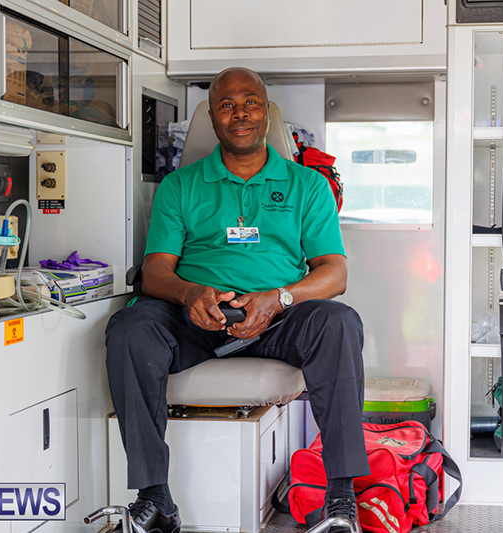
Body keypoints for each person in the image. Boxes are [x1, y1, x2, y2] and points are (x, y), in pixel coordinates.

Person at [105, 67, 369, 533]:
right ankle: (155, 499)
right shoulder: (179, 187)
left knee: (339, 322)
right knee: (129, 327)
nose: (240, 113)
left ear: (266, 113)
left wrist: (279, 298)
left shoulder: (306, 186)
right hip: (195, 318)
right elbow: (154, 271)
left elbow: (335, 272)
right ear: (212, 116)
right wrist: (190, 295)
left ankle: (341, 498)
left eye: (250, 102)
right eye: (227, 104)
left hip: (278, 319)